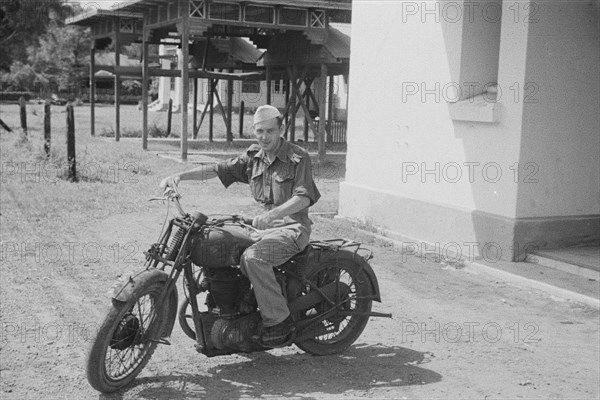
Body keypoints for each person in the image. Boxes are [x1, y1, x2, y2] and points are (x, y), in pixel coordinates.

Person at [160, 105, 321, 346]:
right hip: (260, 227)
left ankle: (278, 321)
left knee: (253, 258)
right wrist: (180, 177)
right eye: (259, 131)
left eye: (270, 131)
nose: (264, 137)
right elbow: (217, 169)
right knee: (216, 238)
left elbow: (304, 198)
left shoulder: (298, 157)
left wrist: (273, 215)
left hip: (291, 228)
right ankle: (232, 301)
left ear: (281, 129)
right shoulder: (253, 158)